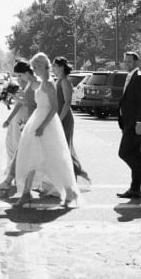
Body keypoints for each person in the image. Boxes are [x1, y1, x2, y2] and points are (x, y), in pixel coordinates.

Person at [11, 53, 79, 207]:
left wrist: (42, 126)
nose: (35, 69)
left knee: (56, 158)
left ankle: (70, 192)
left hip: (47, 123)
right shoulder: (41, 83)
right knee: (32, 156)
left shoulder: (49, 83)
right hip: (37, 120)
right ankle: (26, 193)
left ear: (46, 65)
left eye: (38, 66)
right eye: (33, 67)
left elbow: (54, 107)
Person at [116, 52, 141, 199]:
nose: (127, 64)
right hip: (127, 122)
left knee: (124, 152)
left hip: (135, 123)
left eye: (130, 61)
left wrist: (139, 122)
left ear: (136, 62)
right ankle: (135, 189)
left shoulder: (139, 77)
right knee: (135, 155)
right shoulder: (130, 76)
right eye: (125, 61)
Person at [0, 59, 34, 194]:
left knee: (19, 147)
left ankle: (15, 178)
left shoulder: (32, 84)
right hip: (19, 117)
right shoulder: (24, 83)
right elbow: (19, 103)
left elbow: (26, 103)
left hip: (26, 117)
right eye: (16, 75)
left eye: (19, 74)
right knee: (11, 144)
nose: (17, 77)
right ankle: (14, 176)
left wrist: (14, 97)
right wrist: (9, 119)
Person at [52, 56, 91, 188]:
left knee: (65, 148)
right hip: (58, 117)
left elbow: (67, 103)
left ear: (61, 67)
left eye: (55, 66)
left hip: (65, 118)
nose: (53, 68)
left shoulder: (65, 82)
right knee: (60, 149)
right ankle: (71, 176)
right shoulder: (58, 81)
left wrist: (59, 119)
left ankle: (75, 177)